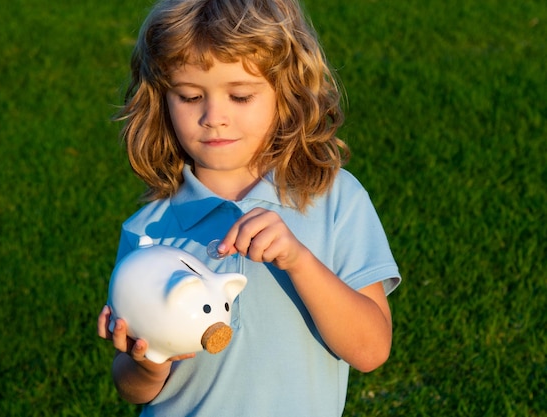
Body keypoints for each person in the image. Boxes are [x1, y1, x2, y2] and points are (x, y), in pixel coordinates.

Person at [97, 0, 401, 415]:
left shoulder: (334, 199)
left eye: (240, 96)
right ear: (163, 101)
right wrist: (146, 362)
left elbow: (370, 349)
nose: (213, 117)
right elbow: (134, 388)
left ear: (286, 93)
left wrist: (299, 261)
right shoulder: (149, 230)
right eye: (189, 96)